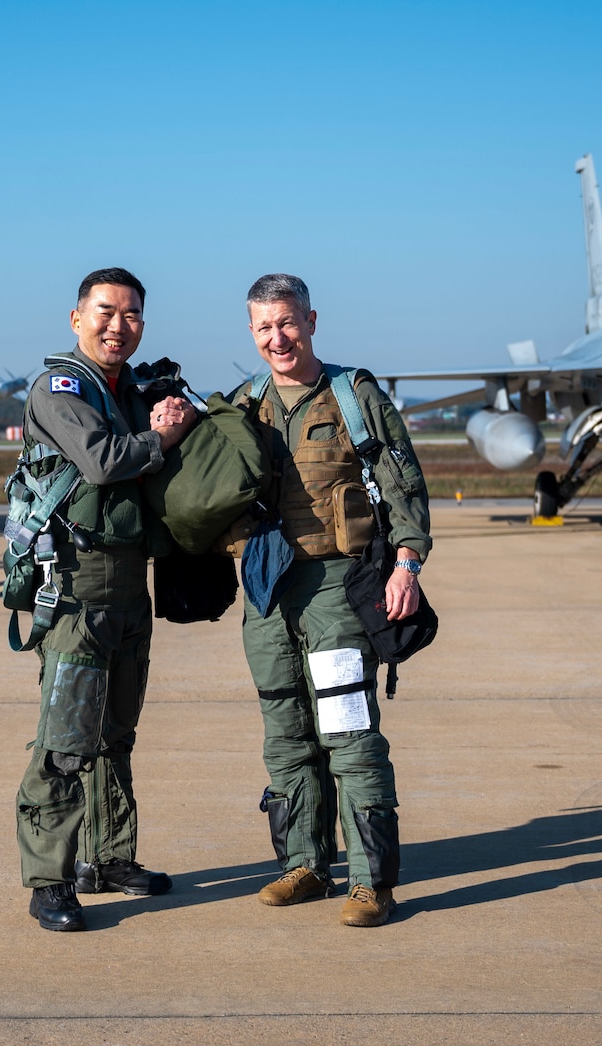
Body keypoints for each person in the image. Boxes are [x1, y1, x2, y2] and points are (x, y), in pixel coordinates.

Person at [232, 273, 431, 928]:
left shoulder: (353, 395)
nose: (276, 337)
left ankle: (372, 881)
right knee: (284, 734)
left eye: (286, 322)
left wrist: (406, 564)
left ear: (312, 320)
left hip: (335, 589)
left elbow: (403, 482)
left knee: (348, 733)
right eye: (263, 327)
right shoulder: (244, 404)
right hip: (266, 592)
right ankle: (305, 864)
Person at [14, 267, 199, 932]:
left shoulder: (126, 390)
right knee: (66, 742)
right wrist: (163, 437)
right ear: (76, 317)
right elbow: (101, 459)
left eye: (132, 314)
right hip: (77, 586)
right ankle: (49, 879)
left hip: (128, 584)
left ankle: (108, 858)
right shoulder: (60, 388)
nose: (118, 324)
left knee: (116, 734)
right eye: (105, 311)